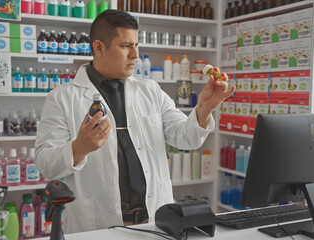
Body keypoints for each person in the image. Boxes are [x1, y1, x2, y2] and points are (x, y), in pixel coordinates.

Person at [35, 9, 235, 234]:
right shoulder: (62, 97)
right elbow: (45, 164)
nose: (135, 55)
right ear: (99, 47)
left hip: (155, 218)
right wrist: (79, 147)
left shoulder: (149, 90)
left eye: (136, 45)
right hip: (97, 223)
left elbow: (185, 137)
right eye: (125, 46)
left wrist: (204, 109)